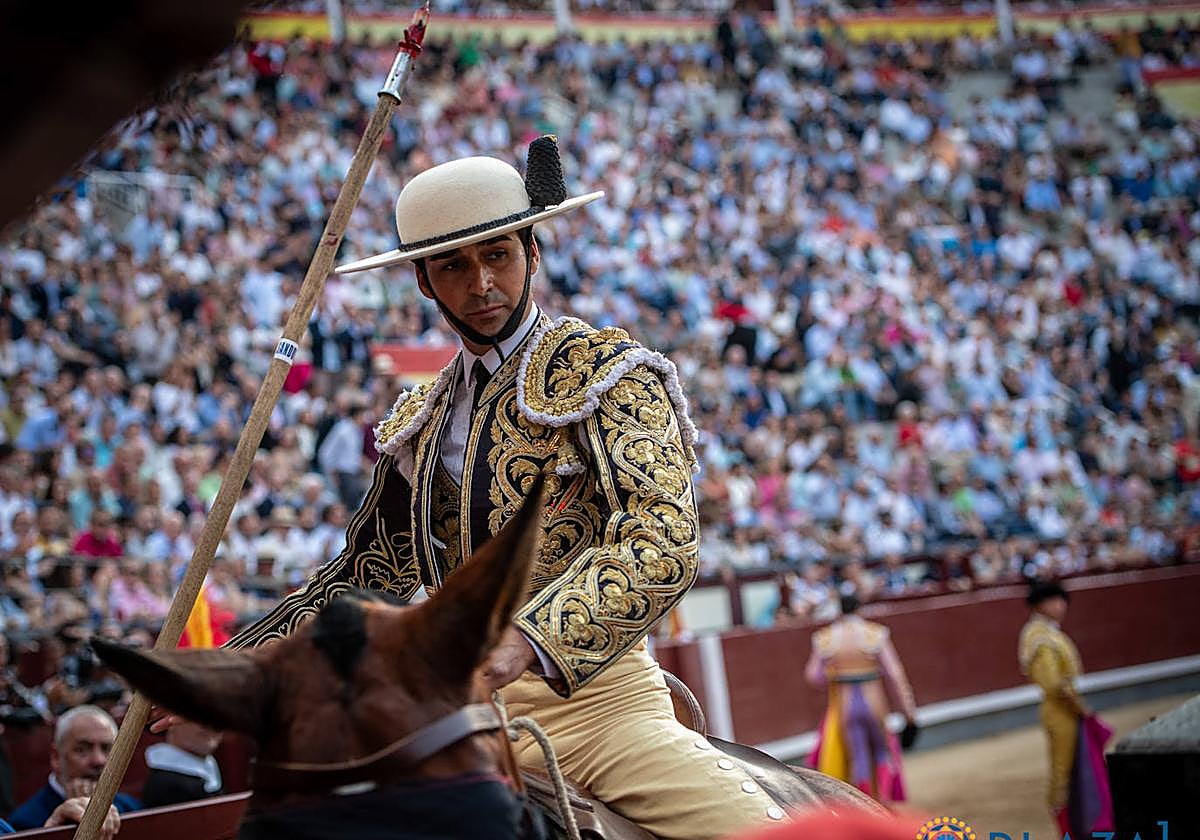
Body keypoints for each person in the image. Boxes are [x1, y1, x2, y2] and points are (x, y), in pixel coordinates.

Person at [220, 138, 782, 838]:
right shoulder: (417, 424)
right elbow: (366, 577)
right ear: (423, 282)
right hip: (458, 727)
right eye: (453, 265)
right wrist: (228, 671)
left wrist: (526, 640)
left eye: (498, 256)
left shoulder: (608, 374)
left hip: (601, 717)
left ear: (533, 253)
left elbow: (661, 539)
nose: (481, 284)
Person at [1019, 579, 1112, 836]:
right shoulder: (1039, 636)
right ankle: (1067, 829)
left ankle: (1078, 823)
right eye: (1053, 600)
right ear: (1039, 605)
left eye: (1061, 600)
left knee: (1074, 769)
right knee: (1063, 773)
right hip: (1060, 711)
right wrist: (1079, 707)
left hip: (1064, 709)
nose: (1060, 605)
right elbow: (1054, 684)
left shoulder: (1047, 632)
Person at [804, 593, 916, 803]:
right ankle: (883, 803)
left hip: (846, 704)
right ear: (859, 609)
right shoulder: (875, 633)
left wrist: (834, 674)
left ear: (839, 611)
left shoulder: (826, 638)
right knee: (882, 752)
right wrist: (908, 712)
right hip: (874, 701)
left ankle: (866, 806)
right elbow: (895, 674)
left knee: (858, 756)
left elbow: (813, 677)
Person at [6, 705, 136, 831]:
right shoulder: (24, 824)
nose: (98, 760)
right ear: (56, 757)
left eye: (107, 749)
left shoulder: (131, 808)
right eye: (82, 750)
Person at [142, 721, 223, 807]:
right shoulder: (167, 783)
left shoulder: (211, 766)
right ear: (169, 723)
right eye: (197, 714)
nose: (210, 726)